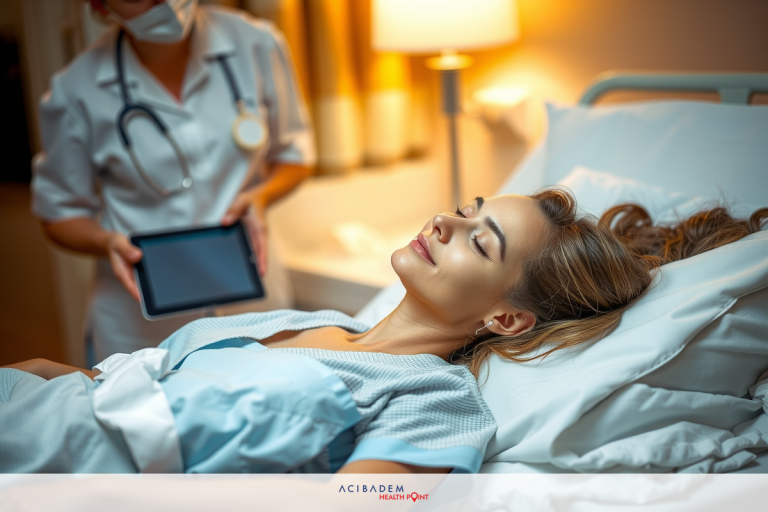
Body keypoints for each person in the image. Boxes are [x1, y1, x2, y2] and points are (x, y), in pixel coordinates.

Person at [3, 191, 766, 473]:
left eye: (479, 239)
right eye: (466, 210)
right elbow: (118, 381)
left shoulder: (434, 403)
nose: (445, 220)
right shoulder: (313, 321)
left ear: (504, 319)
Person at [30, 0, 314, 362]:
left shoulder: (257, 43)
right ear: (99, 6)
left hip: (252, 300)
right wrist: (106, 242)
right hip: (140, 327)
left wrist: (260, 196)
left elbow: (294, 156)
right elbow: (59, 215)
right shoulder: (75, 90)